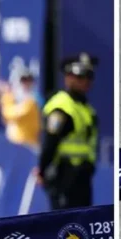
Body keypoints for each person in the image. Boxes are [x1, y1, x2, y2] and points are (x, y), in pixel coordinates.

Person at [37, 53, 99, 210]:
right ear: (68, 78)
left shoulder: (84, 107)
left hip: (82, 176)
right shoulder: (61, 108)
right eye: (80, 77)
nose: (86, 81)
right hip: (63, 175)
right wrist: (42, 171)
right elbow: (50, 142)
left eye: (89, 76)